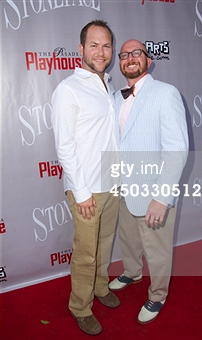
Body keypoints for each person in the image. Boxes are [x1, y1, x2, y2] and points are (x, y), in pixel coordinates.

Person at [109, 39, 188, 324]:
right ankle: (132, 271)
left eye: (137, 53)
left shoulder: (166, 93)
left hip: (154, 192)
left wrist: (162, 197)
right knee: (128, 240)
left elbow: (177, 148)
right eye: (124, 54)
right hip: (124, 189)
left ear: (149, 59)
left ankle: (157, 295)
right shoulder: (116, 97)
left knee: (156, 249)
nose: (130, 58)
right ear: (120, 61)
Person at [51, 20, 120, 336]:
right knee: (86, 252)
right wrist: (80, 192)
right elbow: (64, 146)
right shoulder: (69, 89)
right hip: (87, 189)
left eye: (106, 45)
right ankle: (80, 306)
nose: (101, 51)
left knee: (104, 246)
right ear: (81, 50)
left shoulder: (109, 86)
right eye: (94, 45)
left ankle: (100, 285)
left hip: (112, 183)